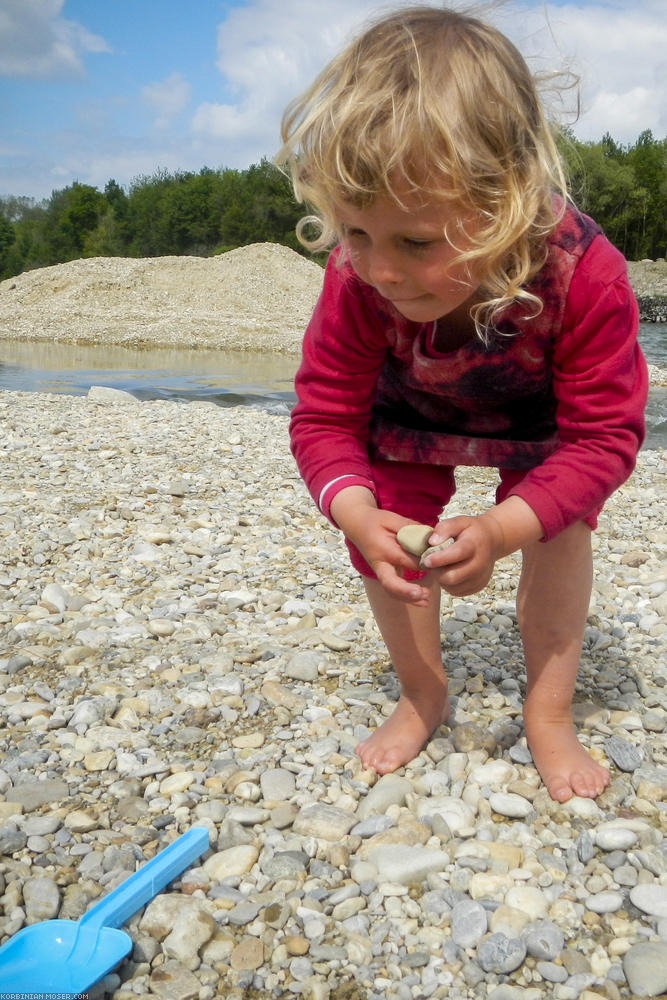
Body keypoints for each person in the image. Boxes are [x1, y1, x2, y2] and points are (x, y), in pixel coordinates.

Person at [277, 5, 647, 802]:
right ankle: (422, 691)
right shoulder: (356, 278)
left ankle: (548, 712)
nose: (380, 269)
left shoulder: (587, 276)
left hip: (545, 429)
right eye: (353, 233)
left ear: (507, 201)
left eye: (414, 242)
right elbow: (324, 417)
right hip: (406, 416)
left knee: (560, 531)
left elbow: (605, 439)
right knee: (383, 536)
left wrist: (501, 528)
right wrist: (350, 511)